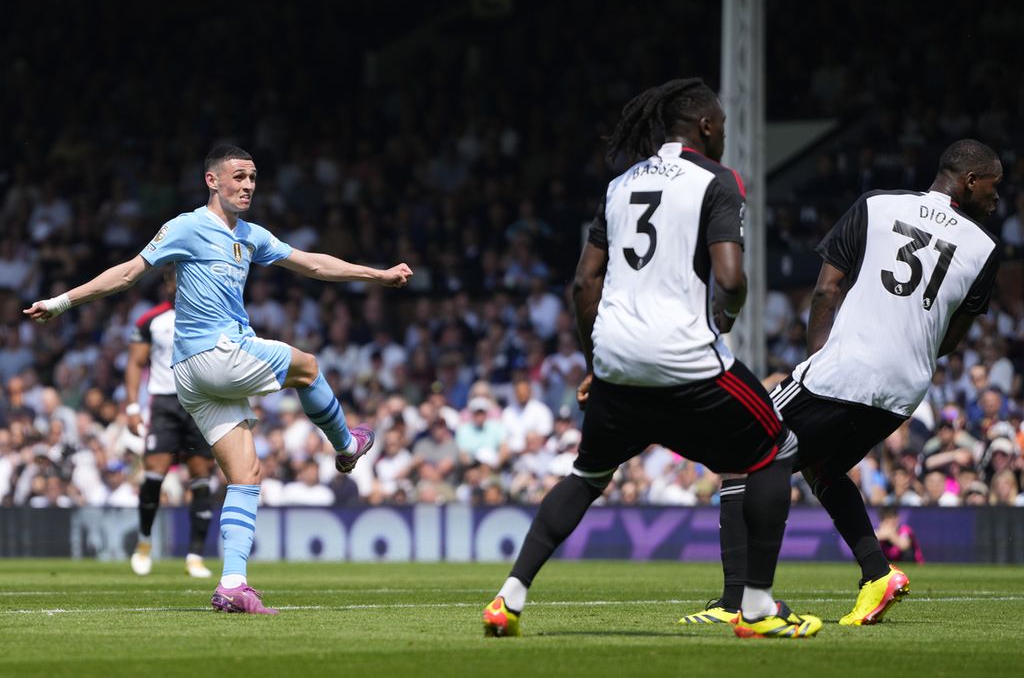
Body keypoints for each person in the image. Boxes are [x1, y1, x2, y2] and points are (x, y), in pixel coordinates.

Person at [482, 78, 820, 640]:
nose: (726, 137)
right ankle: (758, 609)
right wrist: (727, 316)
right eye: (724, 128)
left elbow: (583, 282)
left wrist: (597, 362)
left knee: (587, 475)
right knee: (777, 447)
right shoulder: (718, 180)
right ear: (707, 127)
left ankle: (508, 598)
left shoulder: (619, 185)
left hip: (618, 360)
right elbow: (731, 278)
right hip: (685, 357)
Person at [25, 145, 413, 614]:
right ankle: (347, 446)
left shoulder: (250, 235)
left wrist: (377, 274)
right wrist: (62, 302)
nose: (247, 185)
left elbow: (312, 264)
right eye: (238, 177)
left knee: (246, 475)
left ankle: (231, 584)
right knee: (307, 365)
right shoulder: (187, 226)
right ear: (212, 181)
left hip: (191, 376)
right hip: (216, 354)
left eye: (252, 178)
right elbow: (128, 273)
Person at [681, 139, 1002, 627]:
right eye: (994, 188)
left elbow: (828, 287)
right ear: (970, 181)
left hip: (847, 367)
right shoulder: (985, 250)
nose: (997, 199)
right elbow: (949, 338)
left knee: (737, 455)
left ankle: (733, 604)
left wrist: (822, 361)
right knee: (823, 467)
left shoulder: (877, 205)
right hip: (905, 389)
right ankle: (877, 573)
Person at [126, 267, 217, 579]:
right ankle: (144, 543)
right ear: (167, 284)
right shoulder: (150, 320)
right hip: (164, 403)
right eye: (175, 280)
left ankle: (194, 556)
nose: (179, 286)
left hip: (200, 403)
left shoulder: (211, 315)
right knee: (153, 475)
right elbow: (136, 364)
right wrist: (131, 407)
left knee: (201, 478)